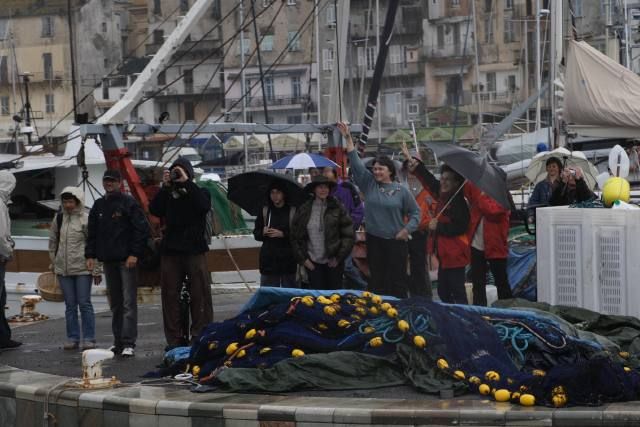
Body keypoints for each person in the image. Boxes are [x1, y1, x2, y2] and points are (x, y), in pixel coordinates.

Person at [338, 122, 420, 298]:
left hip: (396, 242)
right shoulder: (369, 184)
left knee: (397, 281)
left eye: (380, 169)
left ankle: (400, 310)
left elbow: (416, 213)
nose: (376, 172)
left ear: (390, 171)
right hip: (374, 241)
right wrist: (348, 138)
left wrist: (407, 230)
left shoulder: (401, 191)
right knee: (377, 281)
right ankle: (379, 310)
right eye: (374, 169)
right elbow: (356, 162)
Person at [149, 158, 213, 351]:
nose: (177, 174)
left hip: (194, 249)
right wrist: (165, 187)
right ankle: (175, 339)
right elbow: (154, 209)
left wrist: (187, 182)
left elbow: (203, 206)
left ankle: (200, 335)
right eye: (174, 172)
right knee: (170, 295)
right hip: (171, 250)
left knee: (200, 293)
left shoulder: (200, 192)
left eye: (181, 171)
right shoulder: (169, 194)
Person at [86, 169, 149, 357]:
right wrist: (90, 255)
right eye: (106, 180)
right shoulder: (98, 205)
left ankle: (129, 342)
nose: (109, 183)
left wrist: (134, 254)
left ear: (120, 182)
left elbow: (141, 229)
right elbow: (92, 233)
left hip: (126, 260)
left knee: (129, 303)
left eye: (112, 180)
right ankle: (118, 342)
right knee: (115, 304)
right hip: (108, 260)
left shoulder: (129, 203)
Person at [407, 157, 470, 304]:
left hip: (455, 254)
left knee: (457, 291)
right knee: (443, 291)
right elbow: (430, 182)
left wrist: (438, 226)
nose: (443, 182)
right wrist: (418, 168)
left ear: (456, 183)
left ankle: (462, 315)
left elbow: (461, 227)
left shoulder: (459, 202)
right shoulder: (443, 195)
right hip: (444, 254)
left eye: (448, 180)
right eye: (442, 178)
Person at [49, 187, 102, 350]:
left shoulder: (85, 219)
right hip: (63, 269)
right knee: (70, 305)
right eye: (65, 202)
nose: (68, 205)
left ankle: (89, 338)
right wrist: (54, 263)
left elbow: (94, 244)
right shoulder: (58, 218)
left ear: (78, 202)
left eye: (71, 201)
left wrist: (96, 269)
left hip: (82, 268)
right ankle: (72, 338)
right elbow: (53, 242)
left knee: (84, 303)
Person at [290, 175, 354, 290]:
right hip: (312, 263)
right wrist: (304, 260)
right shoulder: (304, 209)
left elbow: (348, 234)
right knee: (317, 297)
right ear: (314, 189)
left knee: (334, 296)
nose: (323, 190)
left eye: (326, 187)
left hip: (333, 262)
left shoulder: (338, 207)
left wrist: (338, 258)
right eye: (320, 187)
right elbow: (295, 237)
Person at [465, 184, 512, 306]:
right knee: (477, 282)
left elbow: (492, 211)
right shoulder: (477, 189)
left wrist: (481, 196)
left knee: (501, 281)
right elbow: (467, 191)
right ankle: (479, 311)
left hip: (495, 246)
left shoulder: (501, 197)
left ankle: (507, 310)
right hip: (476, 244)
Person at [322, 166, 367, 289]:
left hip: (346, 233)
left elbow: (358, 210)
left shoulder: (347, 188)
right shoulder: (323, 191)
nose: (327, 182)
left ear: (336, 176)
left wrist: (349, 227)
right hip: (329, 235)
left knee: (346, 265)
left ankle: (364, 287)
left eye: (329, 178)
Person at [252, 181, 298, 287]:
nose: (275, 195)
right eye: (272, 192)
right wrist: (262, 232)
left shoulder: (293, 211)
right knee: (269, 293)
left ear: (284, 194)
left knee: (290, 293)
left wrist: (283, 234)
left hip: (288, 260)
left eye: (278, 192)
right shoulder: (265, 211)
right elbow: (256, 234)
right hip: (269, 260)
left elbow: (299, 234)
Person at [402, 160, 436, 299]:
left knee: (420, 266)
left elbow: (435, 208)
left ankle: (424, 296)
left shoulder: (428, 185)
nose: (411, 168)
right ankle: (409, 294)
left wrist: (428, 222)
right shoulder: (401, 184)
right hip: (402, 231)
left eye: (414, 164)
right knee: (401, 265)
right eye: (408, 165)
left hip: (421, 231)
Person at [0, 171, 20, 350]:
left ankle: (3, 337)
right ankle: (2, 338)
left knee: (2, 298)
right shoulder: (0, 204)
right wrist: (8, 251)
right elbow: (1, 235)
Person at [527, 157, 562, 222]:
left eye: (554, 166)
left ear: (559, 168)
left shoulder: (564, 184)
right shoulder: (540, 185)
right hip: (543, 218)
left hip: (560, 217)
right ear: (546, 168)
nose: (551, 168)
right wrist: (531, 216)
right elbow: (533, 202)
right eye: (549, 166)